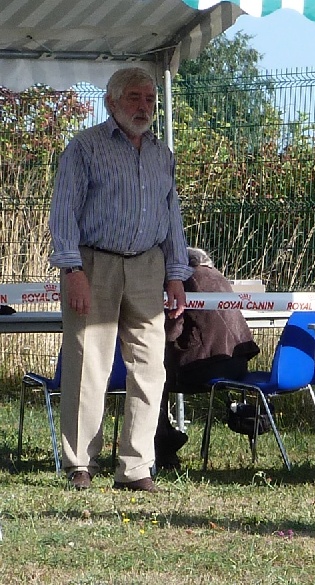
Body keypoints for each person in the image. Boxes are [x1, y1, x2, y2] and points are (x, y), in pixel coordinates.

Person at [49, 66, 193, 493]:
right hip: (95, 264)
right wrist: (73, 270)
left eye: (150, 99)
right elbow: (63, 212)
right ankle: (80, 464)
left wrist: (176, 274)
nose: (144, 107)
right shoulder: (85, 147)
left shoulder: (162, 154)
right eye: (134, 97)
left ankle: (136, 467)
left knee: (150, 367)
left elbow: (172, 217)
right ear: (110, 101)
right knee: (88, 365)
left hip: (148, 266)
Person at [157, 246, 261, 470]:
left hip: (206, 365)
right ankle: (165, 437)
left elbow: (172, 329)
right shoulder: (219, 278)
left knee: (154, 376)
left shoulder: (185, 280)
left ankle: (162, 442)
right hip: (237, 364)